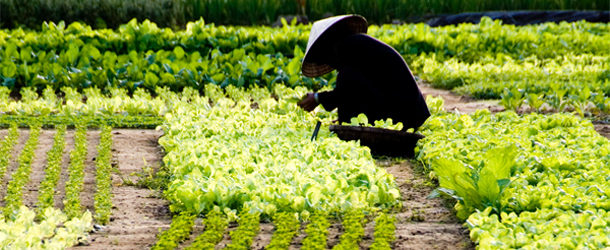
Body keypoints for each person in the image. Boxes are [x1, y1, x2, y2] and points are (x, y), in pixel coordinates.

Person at [297, 15, 430, 131]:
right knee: (345, 78)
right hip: (407, 111)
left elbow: (346, 88)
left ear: (330, 47)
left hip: (406, 114)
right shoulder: (357, 45)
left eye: (326, 59)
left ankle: (348, 126)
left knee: (345, 77)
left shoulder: (351, 46)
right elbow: (357, 93)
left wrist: (317, 98)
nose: (331, 64)